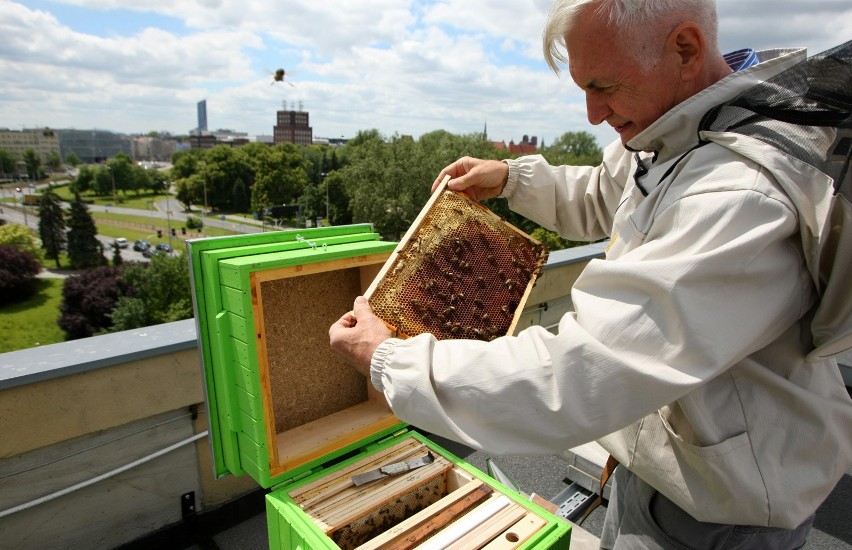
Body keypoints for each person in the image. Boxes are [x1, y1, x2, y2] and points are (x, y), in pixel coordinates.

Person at [329, 1, 852, 548]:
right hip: (671, 457)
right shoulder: (685, 126)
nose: (592, 113)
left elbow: (580, 376)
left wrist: (390, 360)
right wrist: (511, 178)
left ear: (686, 49)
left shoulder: (739, 192)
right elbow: (610, 193)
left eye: (603, 85)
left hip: (723, 506)